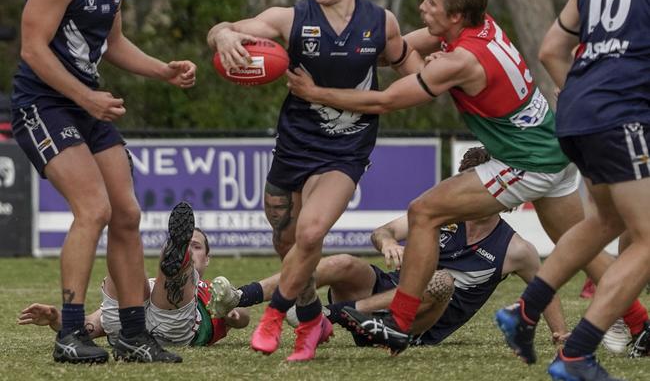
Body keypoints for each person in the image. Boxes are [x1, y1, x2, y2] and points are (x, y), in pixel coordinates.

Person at [286, 0, 648, 359]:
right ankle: (642, 327)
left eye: (431, 2)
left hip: (529, 160)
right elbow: (399, 48)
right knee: (583, 249)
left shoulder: (462, 60)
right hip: (552, 145)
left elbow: (386, 101)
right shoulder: (478, 25)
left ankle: (400, 323)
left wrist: (318, 92)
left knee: (423, 213)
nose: (422, 7)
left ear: (455, 15)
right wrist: (350, 57)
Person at [206, 0, 422, 362]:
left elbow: (409, 68)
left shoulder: (381, 23)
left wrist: (432, 75)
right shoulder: (291, 19)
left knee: (310, 232)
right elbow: (224, 29)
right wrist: (224, 36)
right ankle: (311, 320)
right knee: (288, 243)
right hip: (295, 145)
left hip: (346, 151)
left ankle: (275, 316)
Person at [10, 0, 196, 364]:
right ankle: (69, 335)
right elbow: (32, 50)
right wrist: (84, 96)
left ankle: (133, 335)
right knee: (93, 209)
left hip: (87, 105)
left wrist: (162, 71)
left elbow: (113, 43)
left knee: (127, 214)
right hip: (45, 105)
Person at [495, 0, 650, 379]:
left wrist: (580, 92)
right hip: (621, 114)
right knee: (648, 240)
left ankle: (522, 313)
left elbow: (550, 48)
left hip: (578, 111)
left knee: (604, 220)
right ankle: (577, 354)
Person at [210, 147, 567, 347]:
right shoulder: (439, 215)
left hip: (415, 326)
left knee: (441, 280)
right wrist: (389, 243)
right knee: (343, 263)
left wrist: (559, 332)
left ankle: (332, 317)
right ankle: (240, 297)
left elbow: (545, 289)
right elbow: (383, 230)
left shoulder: (516, 248)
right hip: (387, 292)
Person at [18, 202, 250, 350]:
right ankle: (123, 234)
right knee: (134, 279)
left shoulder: (216, 291)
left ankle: (124, 229)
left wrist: (232, 312)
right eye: (187, 245)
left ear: (208, 258)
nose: (192, 248)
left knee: (162, 287)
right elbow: (92, 325)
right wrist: (57, 320)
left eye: (196, 246)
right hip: (128, 324)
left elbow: (243, 317)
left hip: (172, 327)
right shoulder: (155, 287)